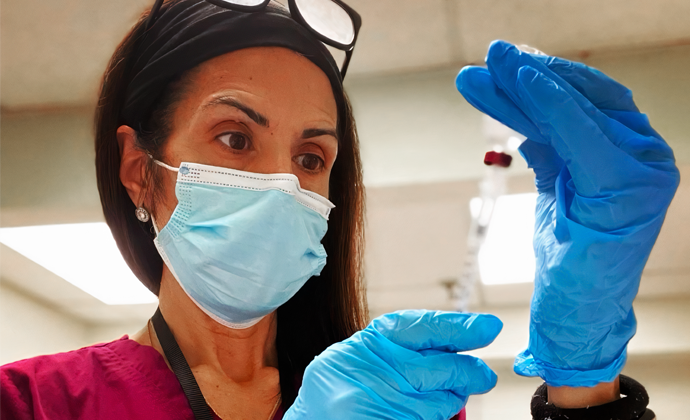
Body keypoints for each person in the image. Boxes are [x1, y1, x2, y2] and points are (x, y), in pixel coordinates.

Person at [0, 1, 679, 419]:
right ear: (138, 171)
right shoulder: (31, 404)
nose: (279, 185)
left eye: (310, 159)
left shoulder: (396, 399)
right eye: (235, 139)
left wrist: (583, 388)